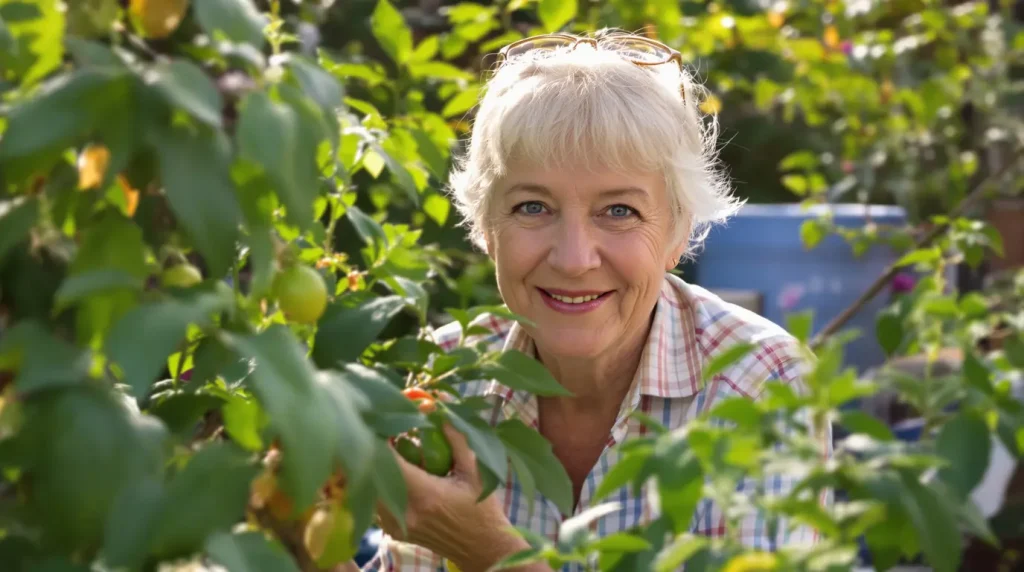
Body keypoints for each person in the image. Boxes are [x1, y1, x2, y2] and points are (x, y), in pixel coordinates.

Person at [352, 30, 832, 572]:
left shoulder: (760, 384)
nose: (574, 258)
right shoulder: (444, 381)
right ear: (486, 227)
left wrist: (494, 556)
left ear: (678, 232)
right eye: (533, 207)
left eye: (619, 211)